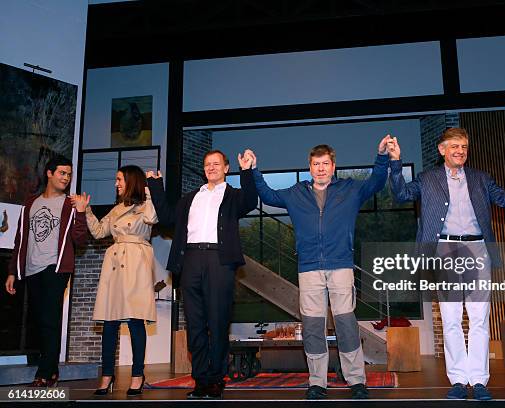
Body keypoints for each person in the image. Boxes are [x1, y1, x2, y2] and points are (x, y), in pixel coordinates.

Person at [387, 128, 505, 400]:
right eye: (454, 146)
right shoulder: (427, 178)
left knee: (480, 319)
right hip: (444, 249)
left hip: (478, 248)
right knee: (451, 319)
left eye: (464, 147)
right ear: (442, 150)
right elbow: (400, 195)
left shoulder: (481, 178)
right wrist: (395, 162)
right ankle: (457, 379)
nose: (460, 151)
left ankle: (479, 381)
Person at [249, 136, 392, 400]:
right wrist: (254, 170)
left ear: (333, 166)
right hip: (309, 268)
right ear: (310, 167)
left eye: (325, 163)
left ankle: (356, 380)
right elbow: (267, 195)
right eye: (316, 164)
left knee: (346, 324)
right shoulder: (296, 193)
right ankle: (317, 382)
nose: (321, 168)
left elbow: (377, 182)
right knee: (313, 326)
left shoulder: (350, 190)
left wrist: (382, 156)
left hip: (340, 266)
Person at [146, 150, 257, 399]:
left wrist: (248, 171)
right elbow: (166, 217)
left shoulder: (233, 196)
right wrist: (155, 185)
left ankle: (216, 379)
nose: (211, 168)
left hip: (220, 260)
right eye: (207, 164)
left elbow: (251, 201)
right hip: (191, 260)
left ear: (226, 168)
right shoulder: (190, 198)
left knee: (218, 323)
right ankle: (201, 380)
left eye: (216, 164)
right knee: (195, 324)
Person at [72, 165, 158, 396]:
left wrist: (149, 190)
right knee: (109, 323)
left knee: (135, 321)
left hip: (136, 264)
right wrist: (86, 210)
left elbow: (152, 217)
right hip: (114, 265)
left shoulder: (145, 205)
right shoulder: (117, 209)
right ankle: (107, 375)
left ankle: (137, 375)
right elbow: (99, 232)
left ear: (131, 181)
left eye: (119, 179)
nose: (116, 184)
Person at [5, 155, 88, 387]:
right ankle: (50, 371)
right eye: (62, 173)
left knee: (50, 319)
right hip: (32, 269)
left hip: (56, 267)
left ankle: (44, 372)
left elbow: (79, 240)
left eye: (69, 174)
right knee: (40, 321)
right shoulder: (30, 203)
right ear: (49, 174)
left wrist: (80, 213)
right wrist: (13, 271)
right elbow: (20, 239)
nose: (66, 178)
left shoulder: (70, 204)